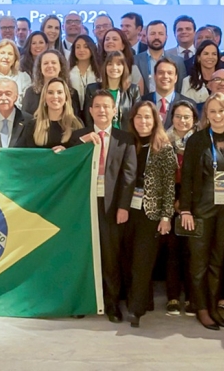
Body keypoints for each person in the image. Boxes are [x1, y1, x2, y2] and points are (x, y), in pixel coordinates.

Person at [180, 93, 224, 330]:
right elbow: (186, 178)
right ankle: (202, 308)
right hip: (200, 211)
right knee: (198, 263)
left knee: (218, 262)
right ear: (207, 114)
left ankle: (213, 305)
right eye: (212, 111)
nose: (217, 116)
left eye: (221, 111)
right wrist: (185, 210)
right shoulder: (196, 141)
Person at [73, 90, 136, 323]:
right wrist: (81, 144)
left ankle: (111, 305)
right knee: (86, 254)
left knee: (110, 257)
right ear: (90, 111)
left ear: (114, 111)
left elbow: (130, 177)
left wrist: (124, 207)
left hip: (111, 206)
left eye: (106, 106)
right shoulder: (79, 136)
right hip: (84, 205)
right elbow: (65, 158)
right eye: (97, 106)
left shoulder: (125, 139)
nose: (101, 110)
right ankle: (85, 301)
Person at [123, 100, 176, 327]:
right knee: (127, 259)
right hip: (127, 211)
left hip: (151, 212)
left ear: (155, 120)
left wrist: (166, 216)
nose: (143, 122)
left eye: (147, 117)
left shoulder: (164, 147)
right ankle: (141, 300)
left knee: (142, 263)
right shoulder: (127, 144)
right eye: (138, 117)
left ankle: (135, 311)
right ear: (132, 120)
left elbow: (169, 185)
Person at [164, 100, 199, 315]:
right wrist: (173, 202)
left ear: (194, 119)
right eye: (178, 116)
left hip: (193, 201)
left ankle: (192, 296)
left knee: (193, 252)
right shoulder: (164, 141)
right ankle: (173, 296)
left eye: (187, 117)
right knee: (172, 251)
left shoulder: (201, 141)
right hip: (170, 199)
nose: (182, 120)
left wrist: (186, 202)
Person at [19, 77, 83, 150]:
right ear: (44, 98)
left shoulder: (76, 124)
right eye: (50, 92)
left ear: (66, 97)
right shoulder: (32, 125)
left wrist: (66, 153)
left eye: (59, 92)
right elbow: (23, 154)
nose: (55, 96)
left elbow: (80, 153)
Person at [84, 51, 141, 131]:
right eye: (110, 64)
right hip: (98, 135)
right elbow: (88, 119)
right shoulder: (92, 89)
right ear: (105, 67)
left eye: (118, 64)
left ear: (124, 67)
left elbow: (137, 117)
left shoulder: (133, 90)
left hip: (124, 137)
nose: (114, 68)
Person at [133, 20, 187, 94]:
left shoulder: (178, 61)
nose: (156, 37)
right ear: (146, 36)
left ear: (166, 37)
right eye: (152, 34)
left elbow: (180, 90)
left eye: (161, 34)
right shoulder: (135, 60)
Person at [22, 49, 79, 117]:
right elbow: (25, 119)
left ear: (61, 66)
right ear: (40, 68)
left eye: (53, 62)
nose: (50, 66)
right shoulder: (30, 92)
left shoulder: (72, 93)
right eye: (46, 63)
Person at [144, 57, 196, 129]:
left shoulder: (189, 104)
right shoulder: (142, 101)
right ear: (155, 77)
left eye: (170, 73)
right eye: (161, 72)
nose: (165, 76)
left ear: (175, 78)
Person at [0, 39, 32, 110]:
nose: (6, 57)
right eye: (2, 53)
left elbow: (27, 106)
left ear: (15, 58)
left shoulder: (24, 78)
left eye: (10, 54)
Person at [101, 28, 144, 94]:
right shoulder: (97, 66)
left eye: (114, 39)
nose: (110, 41)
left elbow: (139, 97)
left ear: (123, 46)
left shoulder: (132, 69)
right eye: (107, 39)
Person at [181, 40, 221, 104]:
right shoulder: (188, 81)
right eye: (206, 54)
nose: (210, 57)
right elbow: (185, 106)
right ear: (198, 58)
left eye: (214, 54)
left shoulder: (223, 79)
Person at [68, 35, 101, 110]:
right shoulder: (68, 73)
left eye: (86, 47)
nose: (81, 50)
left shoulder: (99, 72)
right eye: (78, 47)